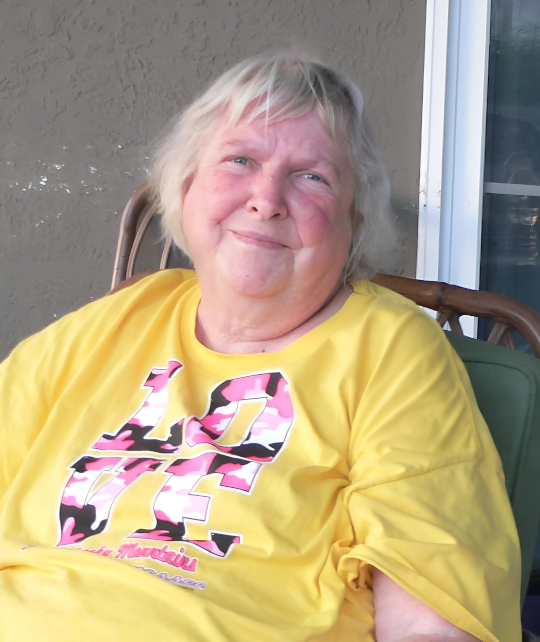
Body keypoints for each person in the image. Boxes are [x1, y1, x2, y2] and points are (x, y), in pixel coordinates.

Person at [0, 54, 521, 641]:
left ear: (354, 219)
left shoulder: (390, 351)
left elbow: (430, 619)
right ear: (187, 184)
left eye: (312, 177)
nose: (266, 199)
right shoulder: (117, 320)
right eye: (240, 160)